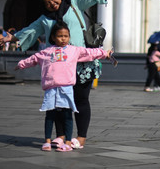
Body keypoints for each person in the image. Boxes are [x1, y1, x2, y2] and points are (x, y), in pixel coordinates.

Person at [1, 0, 121, 148]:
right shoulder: (45, 19)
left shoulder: (74, 3)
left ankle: (80, 138)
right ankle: (61, 136)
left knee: (81, 100)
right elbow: (30, 31)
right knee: (60, 102)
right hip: (59, 65)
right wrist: (11, 39)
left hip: (81, 62)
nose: (52, 3)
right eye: (48, 2)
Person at [14, 21, 112, 152]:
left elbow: (89, 53)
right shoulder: (47, 52)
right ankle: (47, 141)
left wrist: (104, 53)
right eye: (60, 36)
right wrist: (21, 64)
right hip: (50, 88)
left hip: (67, 88)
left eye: (66, 36)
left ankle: (67, 141)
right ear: (53, 37)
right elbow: (33, 59)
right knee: (50, 115)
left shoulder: (73, 50)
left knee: (67, 115)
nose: (63, 39)